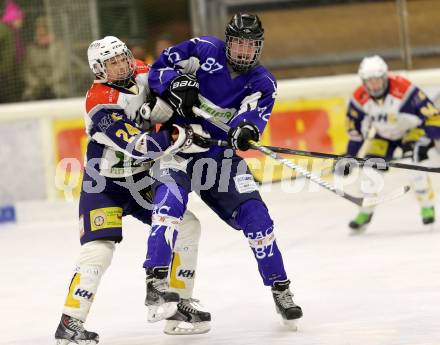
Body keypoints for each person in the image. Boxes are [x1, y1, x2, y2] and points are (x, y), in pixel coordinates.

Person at [145, 13, 303, 329]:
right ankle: (157, 281)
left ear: (258, 48)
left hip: (221, 159)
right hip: (180, 149)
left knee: (257, 218)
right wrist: (175, 83)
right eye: (239, 44)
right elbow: (157, 69)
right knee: (169, 205)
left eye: (250, 46)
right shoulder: (202, 49)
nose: (244, 52)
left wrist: (243, 130)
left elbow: (251, 121)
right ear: (228, 41)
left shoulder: (263, 83)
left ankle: (280, 288)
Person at [54, 36, 212, 345]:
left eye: (122, 57)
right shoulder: (99, 102)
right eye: (111, 62)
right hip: (105, 184)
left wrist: (182, 88)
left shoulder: (141, 71)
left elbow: (167, 83)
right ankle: (70, 323)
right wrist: (179, 137)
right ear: (99, 70)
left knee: (188, 225)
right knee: (98, 250)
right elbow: (138, 145)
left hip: (140, 180)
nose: (120, 65)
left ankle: (175, 302)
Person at [339, 55, 440, 232]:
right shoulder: (359, 98)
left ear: (385, 77)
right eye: (370, 82)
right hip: (383, 136)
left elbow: (432, 116)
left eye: (378, 80)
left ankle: (427, 206)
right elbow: (355, 130)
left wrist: (429, 137)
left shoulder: (406, 90)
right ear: (363, 82)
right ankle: (365, 211)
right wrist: (350, 155)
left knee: (413, 166)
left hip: (411, 132)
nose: (375, 86)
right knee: (370, 173)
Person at [22, 16, 70, 101]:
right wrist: (35, 83)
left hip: (56, 85)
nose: (41, 32)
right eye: (39, 31)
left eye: (45, 31)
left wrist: (49, 82)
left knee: (58, 93)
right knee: (28, 97)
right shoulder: (31, 49)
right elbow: (26, 71)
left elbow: (62, 69)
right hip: (35, 87)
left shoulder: (60, 47)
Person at [0, 0, 25, 102]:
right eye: (19, 18)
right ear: (12, 18)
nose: (21, 21)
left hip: (10, 74)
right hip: (3, 75)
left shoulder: (14, 32)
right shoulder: (3, 29)